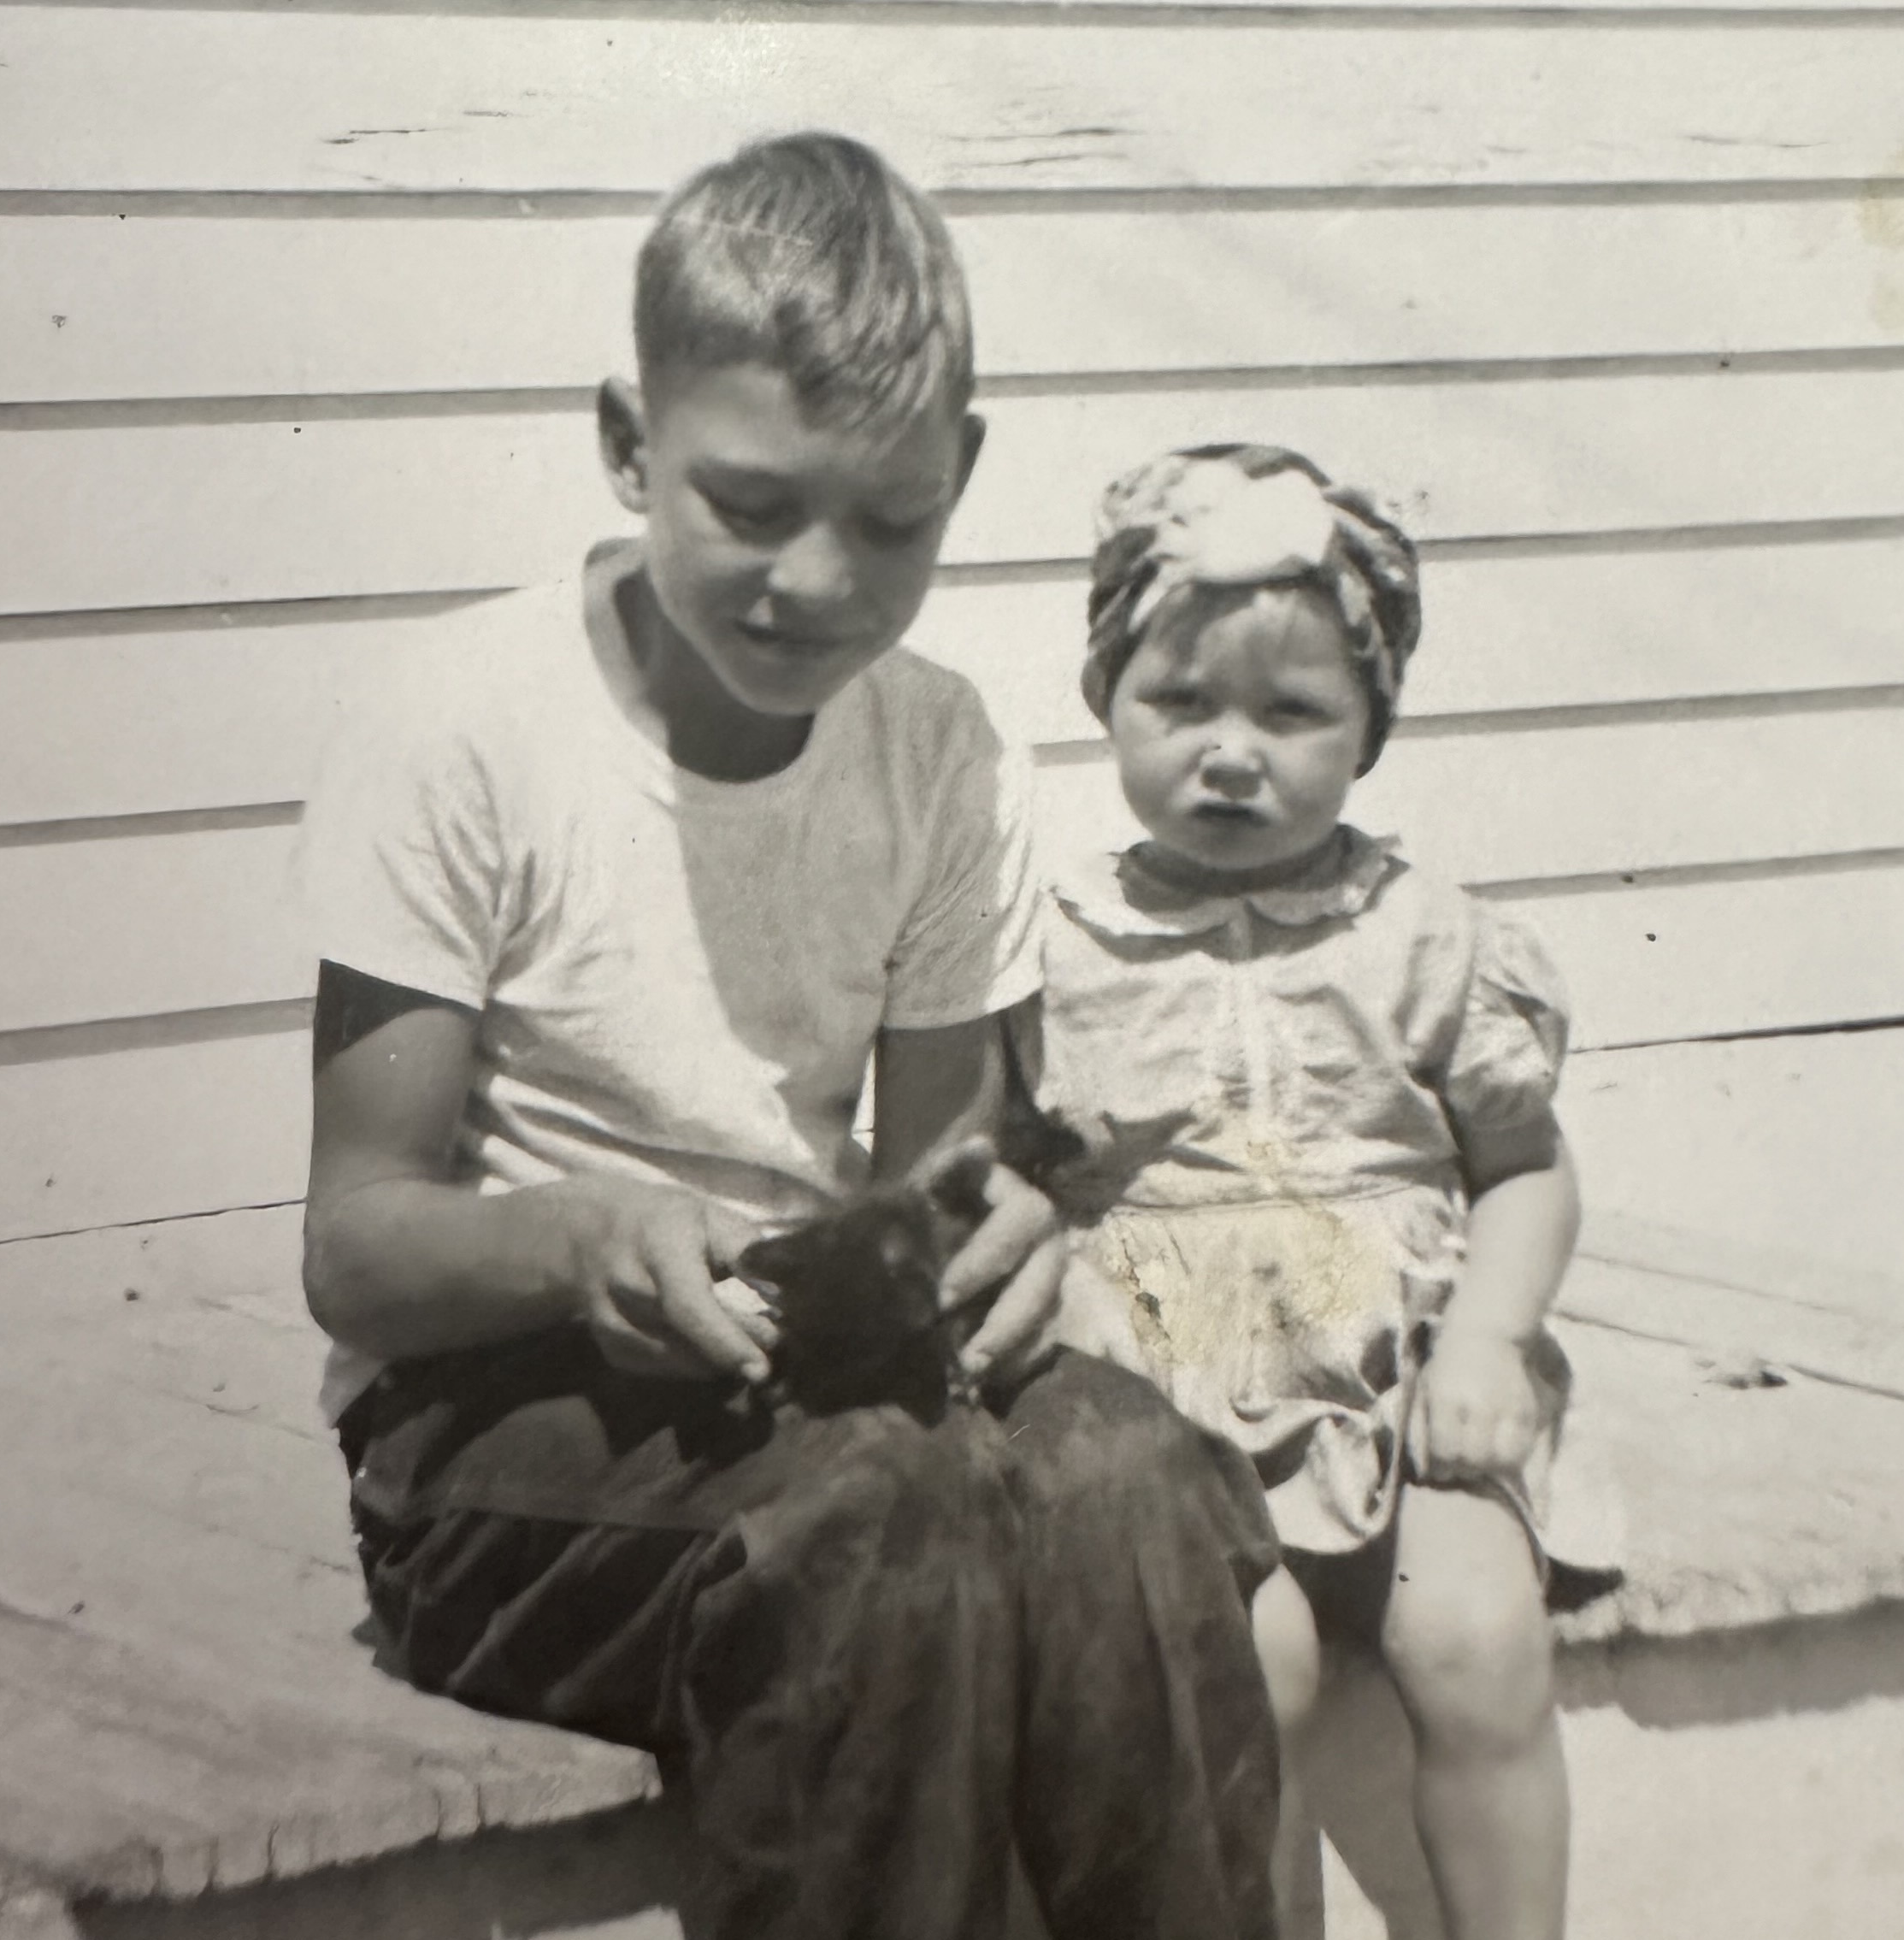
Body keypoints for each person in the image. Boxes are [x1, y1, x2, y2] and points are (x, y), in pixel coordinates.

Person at [299, 135, 1283, 1940]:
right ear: (629, 443)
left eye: (890, 523)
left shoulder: (939, 748)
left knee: (1132, 1480)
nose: (817, 582)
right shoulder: (463, 722)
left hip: (822, 1372)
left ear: (961, 472)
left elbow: (945, 1182)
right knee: (886, 1520)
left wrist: (1003, 1225)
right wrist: (584, 1237)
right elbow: (357, 1248)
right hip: (492, 1423)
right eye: (751, 508)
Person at [1030, 445, 1581, 1940]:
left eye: (1291, 713)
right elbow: (1006, 1178)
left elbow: (1527, 1167)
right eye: (1182, 703)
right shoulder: (1057, 945)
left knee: (1475, 1638)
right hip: (1168, 1412)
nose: (1232, 753)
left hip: (1407, 1388)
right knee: (1243, 1668)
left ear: (1369, 727)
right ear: (1106, 698)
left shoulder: (1427, 936)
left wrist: (1488, 1339)